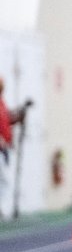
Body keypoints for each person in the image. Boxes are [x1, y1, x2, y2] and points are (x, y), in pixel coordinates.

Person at [0, 76, 29, 220]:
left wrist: (18, 116)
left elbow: (6, 120)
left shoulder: (2, 103)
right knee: (3, 179)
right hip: (1, 147)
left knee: (4, 179)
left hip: (4, 148)